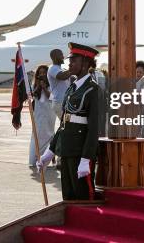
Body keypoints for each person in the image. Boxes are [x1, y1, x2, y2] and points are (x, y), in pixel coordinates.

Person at [37, 43, 100, 200]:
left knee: (83, 197)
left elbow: (94, 129)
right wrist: (49, 152)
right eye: (69, 60)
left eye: (74, 61)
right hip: (66, 149)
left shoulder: (93, 89)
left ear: (85, 64)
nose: (69, 64)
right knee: (68, 196)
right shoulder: (72, 88)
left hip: (80, 152)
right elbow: (64, 123)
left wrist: (87, 158)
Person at [12, 65, 56, 167]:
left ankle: (48, 159)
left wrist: (44, 87)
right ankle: (35, 158)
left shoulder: (53, 85)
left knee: (49, 135)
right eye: (40, 73)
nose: (42, 74)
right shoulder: (34, 85)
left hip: (49, 114)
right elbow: (32, 97)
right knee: (36, 135)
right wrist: (38, 86)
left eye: (44, 72)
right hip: (38, 115)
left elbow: (52, 97)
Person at [47, 49, 71, 121]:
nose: (63, 57)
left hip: (64, 102)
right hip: (60, 103)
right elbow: (62, 76)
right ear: (54, 57)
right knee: (67, 124)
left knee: (67, 123)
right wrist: (73, 68)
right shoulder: (53, 68)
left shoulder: (61, 69)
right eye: (61, 55)